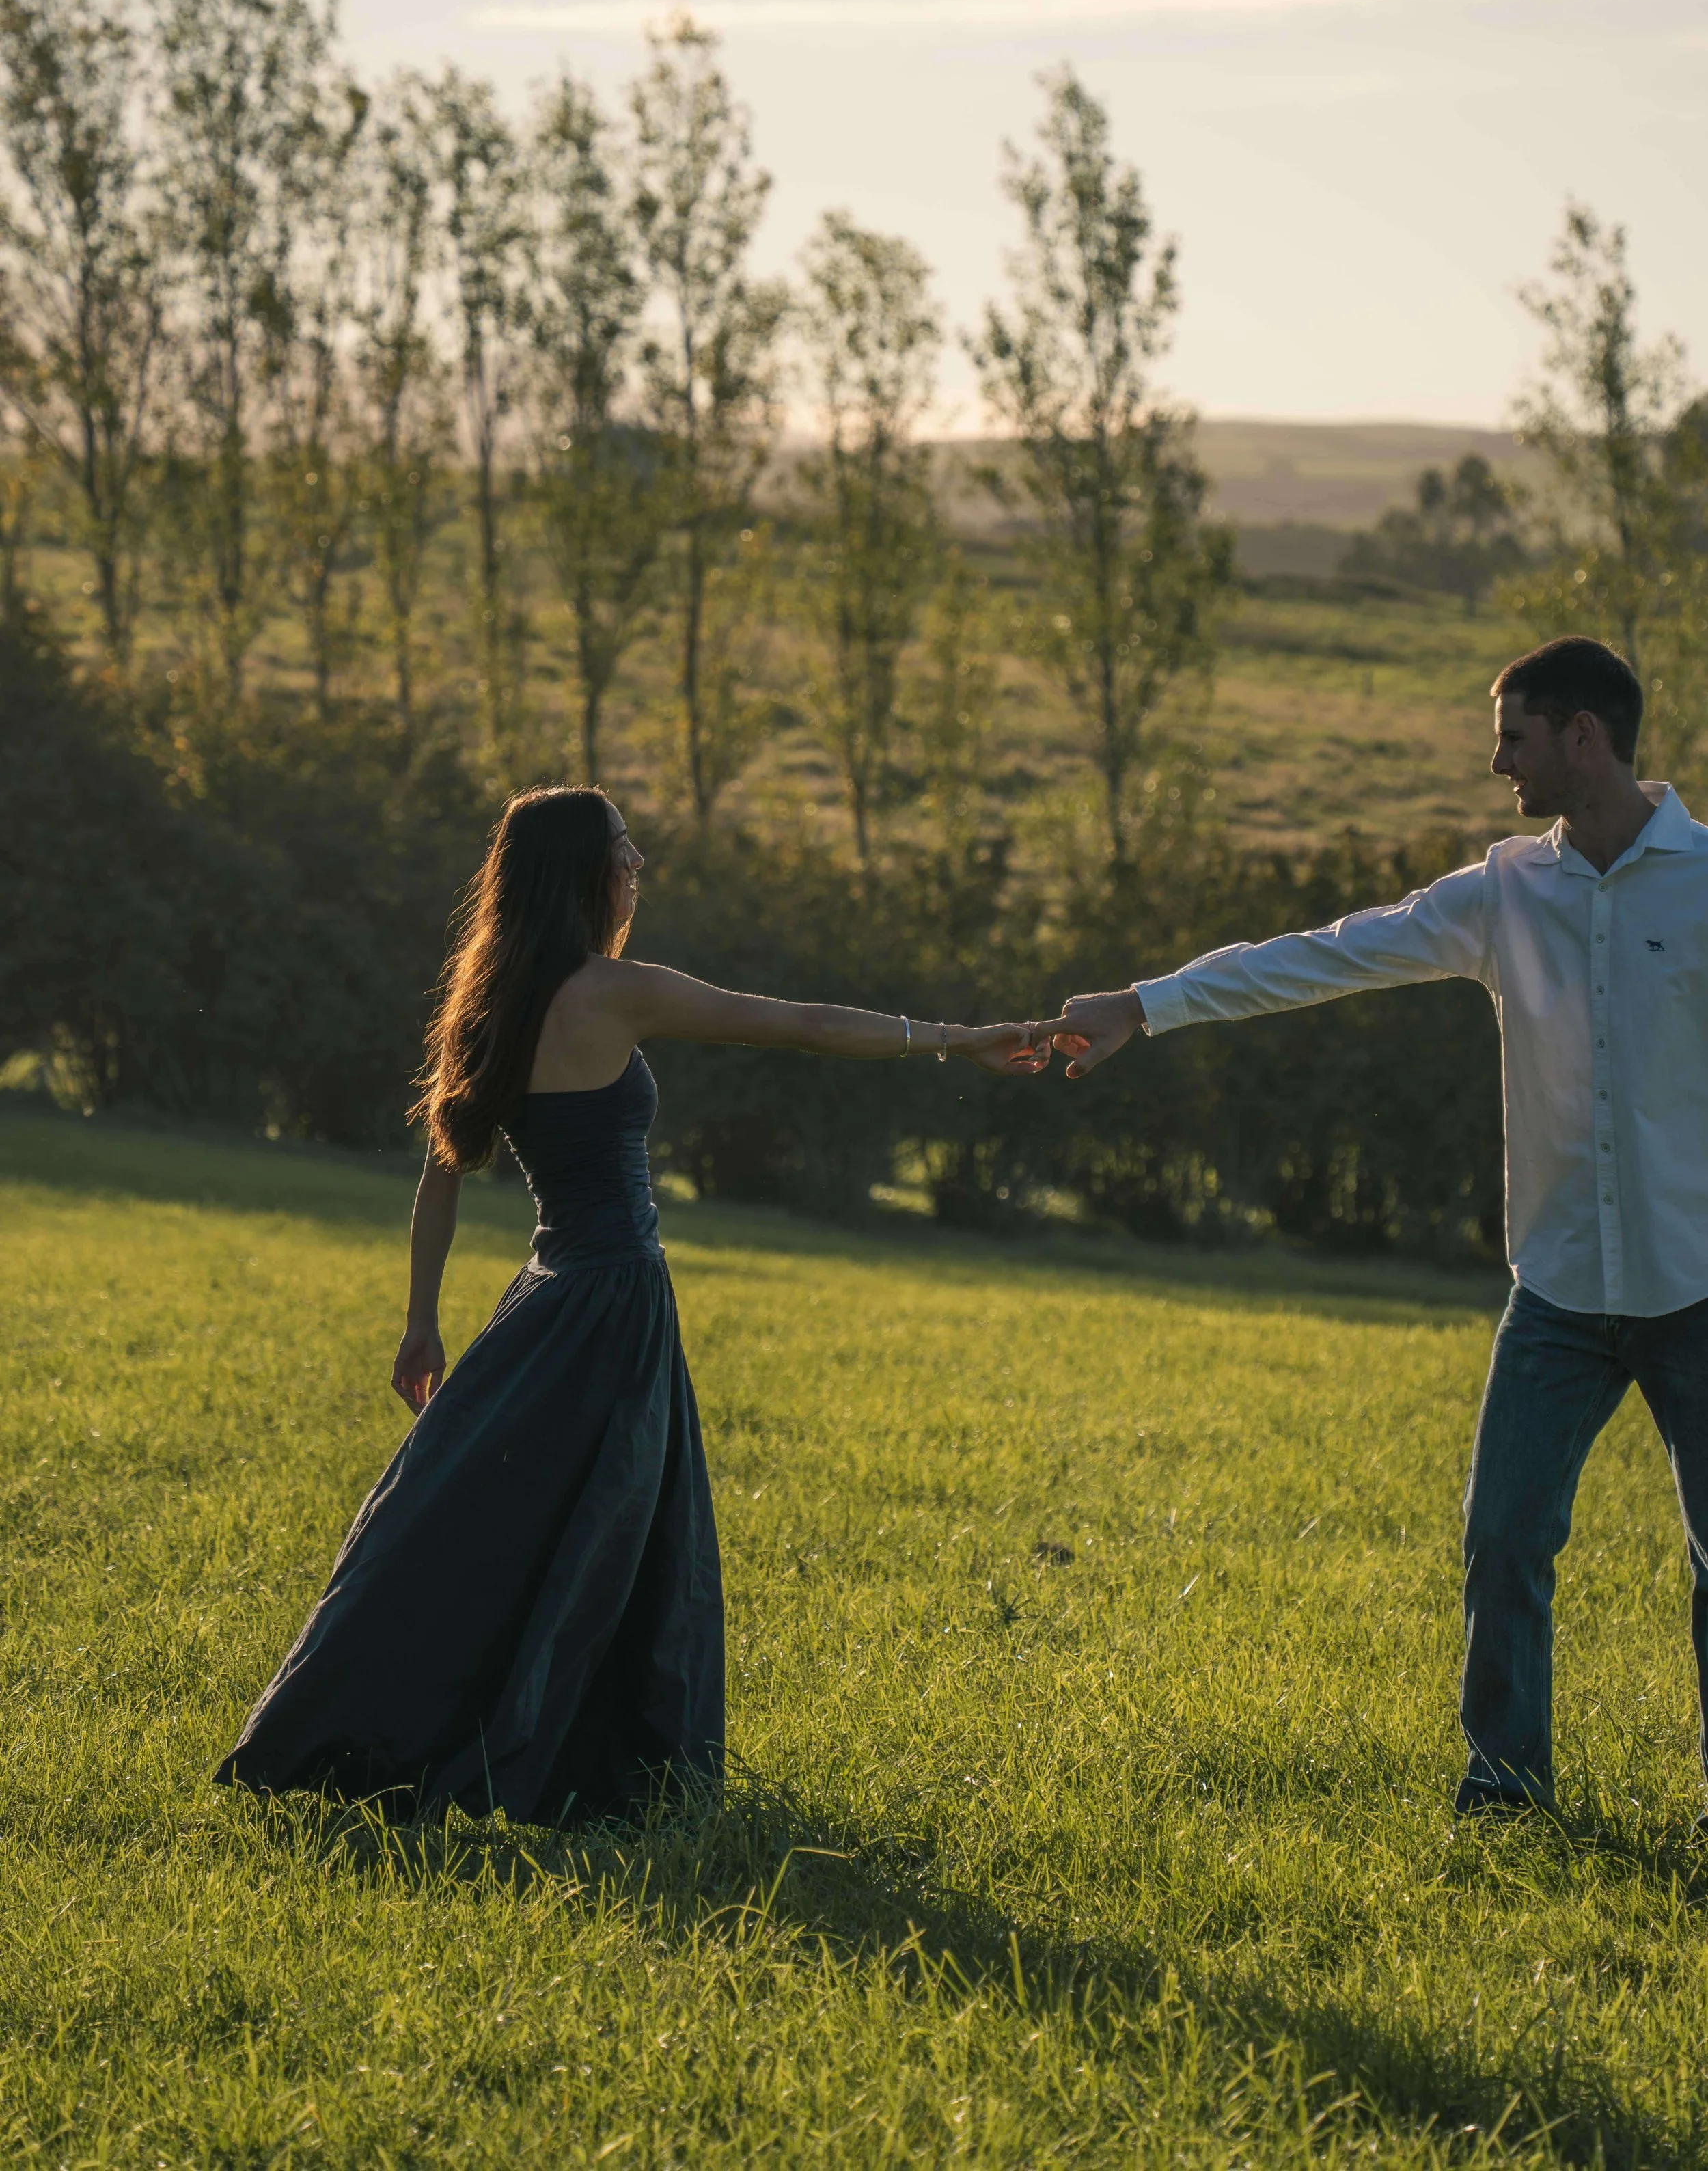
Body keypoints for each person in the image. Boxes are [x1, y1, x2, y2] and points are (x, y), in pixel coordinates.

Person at [215, 784, 1054, 1828]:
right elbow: (796, 1023)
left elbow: (444, 1167)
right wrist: (959, 1036)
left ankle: (445, 1742)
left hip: (544, 1297)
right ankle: (602, 1767)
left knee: (480, 1525)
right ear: (580, 873)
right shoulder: (610, 992)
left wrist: (423, 1318)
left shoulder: (490, 1004)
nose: (639, 859)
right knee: (608, 1537)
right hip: (613, 1302)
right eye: (622, 847)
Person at [1049, 635, 1708, 1818]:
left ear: (1583, 737)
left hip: (1698, 1283)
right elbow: (1324, 958)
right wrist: (1141, 1009)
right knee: (1502, 1538)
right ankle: (1505, 1791)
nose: (1494, 758)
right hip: (1558, 1287)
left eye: (1513, 734)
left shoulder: (1707, 886)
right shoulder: (1505, 891)